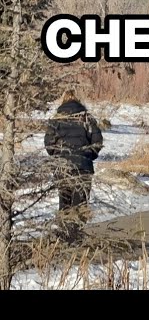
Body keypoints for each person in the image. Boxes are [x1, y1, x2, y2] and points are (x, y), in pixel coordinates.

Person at [44, 89, 103, 238]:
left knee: (64, 202)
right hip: (83, 167)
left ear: (62, 100)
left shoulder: (56, 119)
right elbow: (97, 141)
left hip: (62, 167)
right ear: (79, 100)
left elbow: (49, 144)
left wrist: (57, 156)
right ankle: (75, 235)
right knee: (80, 204)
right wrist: (88, 156)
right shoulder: (86, 118)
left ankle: (64, 236)